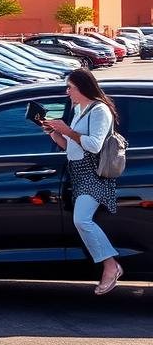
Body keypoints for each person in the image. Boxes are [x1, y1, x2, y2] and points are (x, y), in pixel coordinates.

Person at [41, 69, 123, 294]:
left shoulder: (100, 111)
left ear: (83, 88)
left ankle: (111, 266)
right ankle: (109, 265)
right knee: (80, 219)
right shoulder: (79, 109)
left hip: (93, 173)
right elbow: (70, 146)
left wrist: (67, 129)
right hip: (76, 172)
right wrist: (52, 132)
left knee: (81, 220)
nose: (68, 92)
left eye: (71, 88)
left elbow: (94, 145)